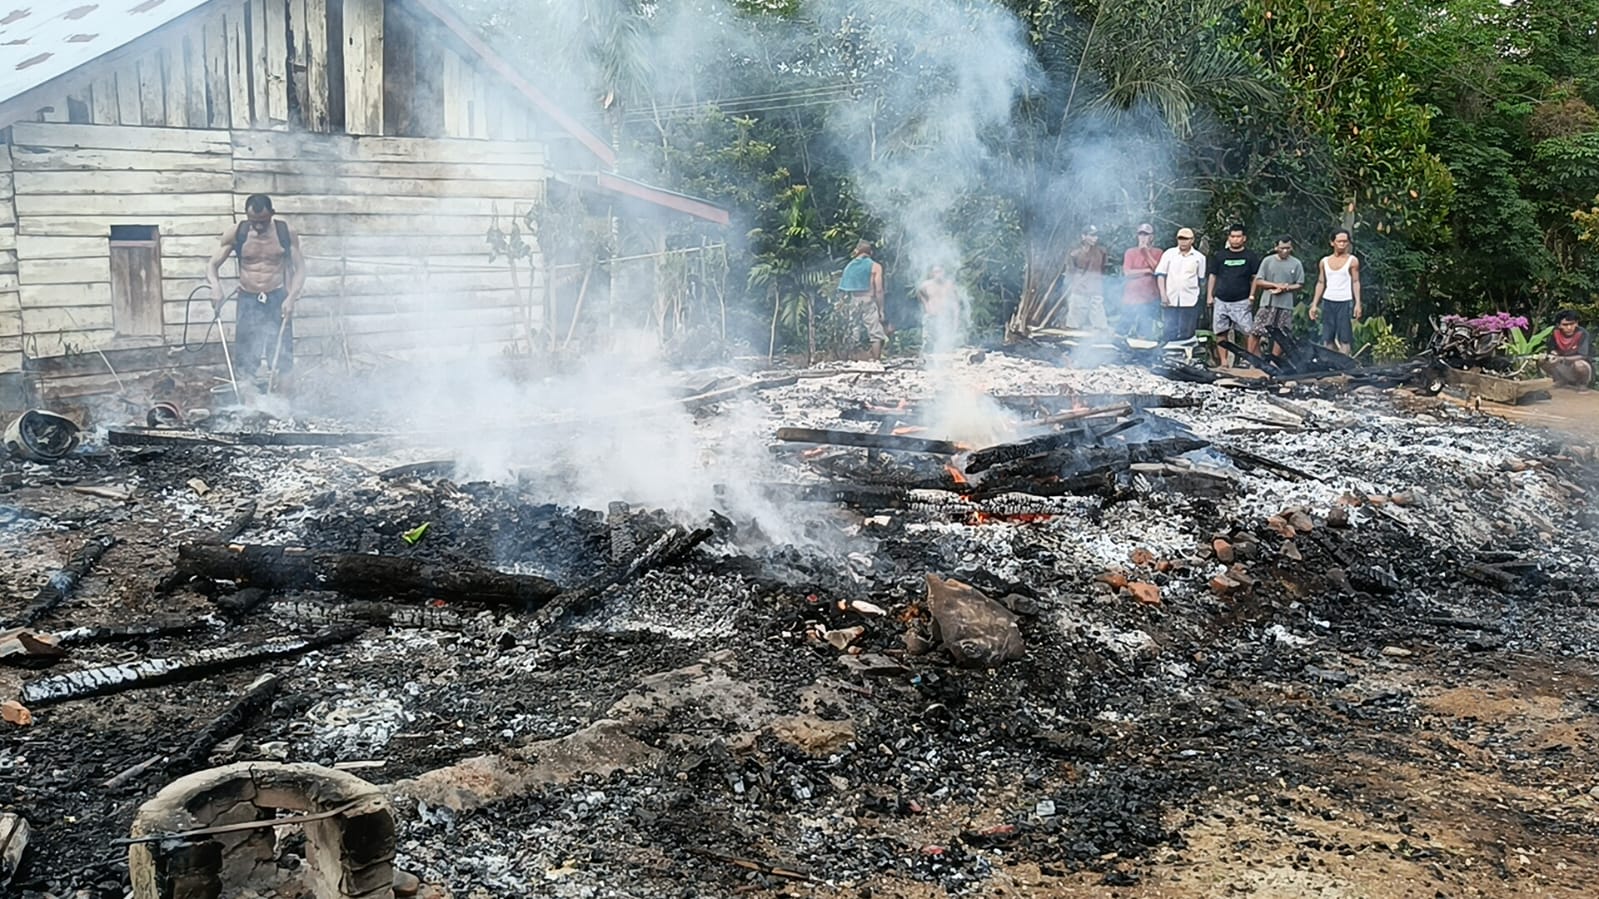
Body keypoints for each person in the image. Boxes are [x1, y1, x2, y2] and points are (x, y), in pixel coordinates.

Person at [205, 194, 306, 393]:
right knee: (245, 358)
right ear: (247, 216)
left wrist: (291, 297)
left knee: (281, 357)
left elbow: (300, 269)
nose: (258, 227)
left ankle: (284, 409)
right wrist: (215, 286)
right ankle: (250, 407)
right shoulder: (238, 232)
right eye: (254, 222)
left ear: (272, 214)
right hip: (248, 300)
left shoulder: (285, 232)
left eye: (263, 221)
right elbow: (212, 265)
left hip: (277, 298)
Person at [1206, 223, 1260, 368]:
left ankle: (1249, 360)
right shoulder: (1220, 255)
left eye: (1238, 236)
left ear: (1244, 238)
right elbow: (1213, 276)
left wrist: (1252, 295)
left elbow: (1256, 277)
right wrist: (1209, 296)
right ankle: (1224, 362)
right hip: (1221, 299)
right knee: (1220, 331)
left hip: (1242, 300)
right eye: (1232, 236)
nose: (1235, 239)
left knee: (1248, 332)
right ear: (1229, 238)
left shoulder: (1250, 256)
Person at [1250, 235, 1305, 358]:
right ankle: (1250, 358)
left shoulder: (1296, 263)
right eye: (1282, 248)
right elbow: (1259, 281)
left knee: (1281, 333)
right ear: (1276, 247)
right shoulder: (1268, 261)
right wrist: (1275, 285)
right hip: (1268, 302)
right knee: (1257, 330)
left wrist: (1286, 288)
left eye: (1288, 248)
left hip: (1286, 304)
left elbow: (1300, 284)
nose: (1285, 251)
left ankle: (1275, 360)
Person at [1309, 228, 1361, 354]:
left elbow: (1355, 282)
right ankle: (1330, 365)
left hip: (1344, 301)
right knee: (1327, 337)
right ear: (1332, 243)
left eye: (1345, 241)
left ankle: (1344, 367)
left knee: (1345, 337)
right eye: (1339, 241)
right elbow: (1321, 282)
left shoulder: (1352, 261)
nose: (1342, 244)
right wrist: (1314, 304)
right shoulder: (1324, 261)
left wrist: (1358, 303)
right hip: (1328, 300)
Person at [837, 239, 887, 361]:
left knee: (852, 333)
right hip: (868, 300)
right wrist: (881, 309)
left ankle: (850, 361)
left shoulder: (849, 266)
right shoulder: (875, 266)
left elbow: (843, 289)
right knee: (875, 333)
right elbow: (879, 290)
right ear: (871, 252)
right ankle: (877, 361)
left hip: (853, 301)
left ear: (857, 251)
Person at [1154, 227, 1206, 343]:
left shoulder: (1199, 258)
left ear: (1192, 240)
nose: (1183, 241)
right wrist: (1163, 295)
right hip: (1170, 299)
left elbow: (1201, 279)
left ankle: (1186, 357)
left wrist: (1200, 298)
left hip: (1190, 299)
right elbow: (1161, 274)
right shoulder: (1169, 254)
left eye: (1186, 239)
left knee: (1187, 332)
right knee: (1169, 330)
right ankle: (1166, 357)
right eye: (1180, 239)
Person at [1063, 225, 1109, 331]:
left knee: (1100, 327)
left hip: (1096, 291)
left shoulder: (1102, 252)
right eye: (1092, 235)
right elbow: (1070, 272)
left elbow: (1102, 269)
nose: (1095, 238)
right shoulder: (1074, 253)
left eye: (1096, 235)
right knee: (1073, 326)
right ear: (1083, 236)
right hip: (1079, 291)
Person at [1121, 223, 1162, 340]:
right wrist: (1147, 271)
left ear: (1152, 236)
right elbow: (1127, 273)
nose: (1143, 237)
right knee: (1124, 329)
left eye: (1146, 234)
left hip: (1150, 298)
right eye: (1140, 234)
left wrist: (1145, 252)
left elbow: (1158, 269)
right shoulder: (1130, 252)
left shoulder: (1158, 252)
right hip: (1131, 298)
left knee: (1145, 331)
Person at [1541, 310, 1593, 389]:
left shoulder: (1582, 334)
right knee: (1543, 360)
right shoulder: (1555, 332)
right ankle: (1560, 380)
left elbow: (1583, 356)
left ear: (1576, 323)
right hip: (1562, 365)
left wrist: (1562, 359)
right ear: (1559, 325)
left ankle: (1582, 384)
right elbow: (1551, 349)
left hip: (1580, 366)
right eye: (1565, 325)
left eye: (1572, 324)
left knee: (1579, 365)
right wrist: (1553, 354)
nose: (1569, 327)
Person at [916, 265, 960, 351]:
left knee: (945, 342)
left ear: (943, 272)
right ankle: (927, 362)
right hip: (931, 317)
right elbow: (919, 293)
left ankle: (944, 360)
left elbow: (955, 302)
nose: (938, 274)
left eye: (940, 271)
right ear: (932, 274)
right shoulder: (926, 285)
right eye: (936, 272)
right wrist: (926, 304)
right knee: (928, 343)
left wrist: (956, 319)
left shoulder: (949, 285)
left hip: (945, 318)